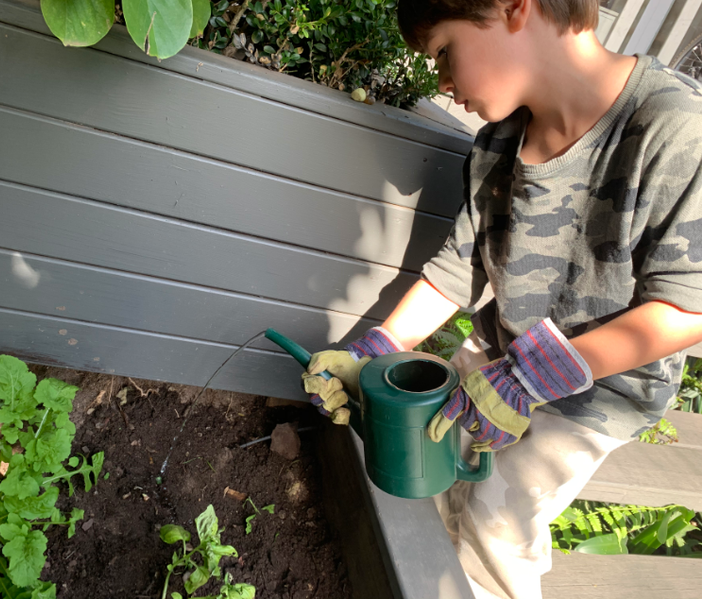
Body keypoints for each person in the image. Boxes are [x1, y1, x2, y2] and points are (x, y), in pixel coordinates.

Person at [300, 1, 702, 597]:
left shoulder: (674, 126)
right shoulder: (497, 143)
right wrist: (377, 348)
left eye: (444, 52)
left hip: (590, 393)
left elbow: (688, 307)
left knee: (496, 533)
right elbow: (456, 269)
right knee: (440, 483)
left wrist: (533, 377)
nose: (442, 81)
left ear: (514, 8)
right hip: (498, 355)